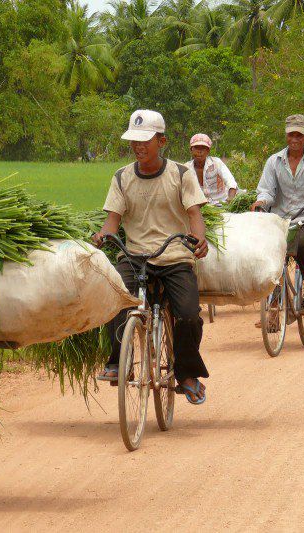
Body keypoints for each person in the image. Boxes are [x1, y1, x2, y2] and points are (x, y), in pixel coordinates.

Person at [92, 109, 210, 405]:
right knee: (117, 299)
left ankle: (186, 374)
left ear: (162, 141)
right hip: (134, 256)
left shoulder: (181, 175)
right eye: (134, 141)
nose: (139, 146)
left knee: (187, 315)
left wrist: (199, 238)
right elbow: (113, 221)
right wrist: (102, 235)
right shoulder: (121, 177)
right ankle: (118, 361)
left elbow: (195, 215)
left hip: (174, 255)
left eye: (145, 140)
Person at [250, 114, 304, 311]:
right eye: (291, 135)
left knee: (303, 243)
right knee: (271, 253)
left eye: (299, 135)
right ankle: (274, 305)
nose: (295, 139)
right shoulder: (274, 161)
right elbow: (266, 189)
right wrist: (261, 201)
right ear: (286, 135)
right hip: (280, 217)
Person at [185, 133, 238, 205]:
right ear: (191, 150)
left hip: (222, 202)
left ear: (208, 151)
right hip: (198, 205)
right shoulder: (186, 168)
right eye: (196, 147)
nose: (199, 151)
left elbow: (230, 181)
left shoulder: (216, 163)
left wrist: (231, 198)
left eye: (203, 148)